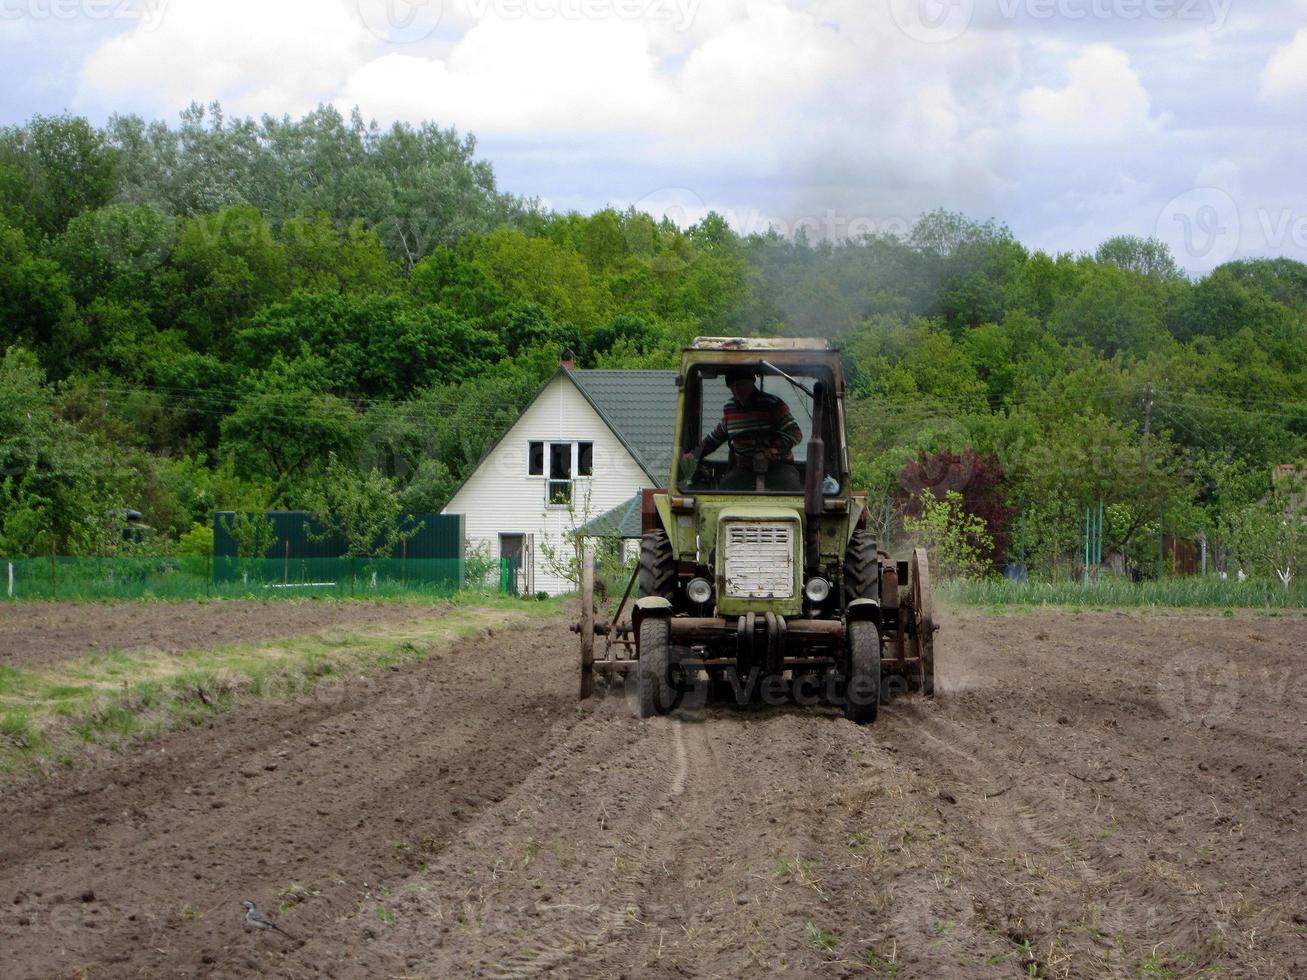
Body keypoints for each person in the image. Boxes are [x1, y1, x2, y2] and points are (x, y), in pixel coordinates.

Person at [682, 365, 803, 490]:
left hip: (778, 466)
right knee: (726, 486)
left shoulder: (773, 404)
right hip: (746, 469)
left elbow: (795, 433)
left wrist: (775, 450)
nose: (736, 389)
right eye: (732, 385)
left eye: (740, 384)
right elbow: (715, 438)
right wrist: (693, 455)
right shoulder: (729, 408)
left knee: (790, 484)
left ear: (751, 382)